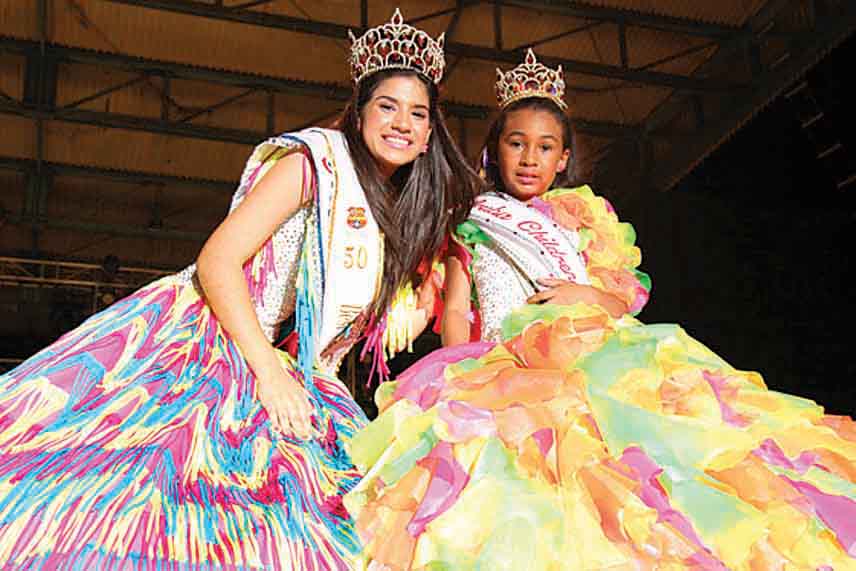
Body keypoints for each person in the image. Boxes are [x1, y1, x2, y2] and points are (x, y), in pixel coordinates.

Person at [0, 9, 482, 570]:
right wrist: (268, 370)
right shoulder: (311, 166)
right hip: (207, 342)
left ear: (428, 137)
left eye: (417, 114)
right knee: (152, 498)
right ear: (359, 115)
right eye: (387, 106)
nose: (401, 122)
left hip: (291, 371)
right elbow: (218, 259)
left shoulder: (392, 213)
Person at [346, 49, 856, 570]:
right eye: (516, 143)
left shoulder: (582, 217)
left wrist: (585, 296)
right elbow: (456, 307)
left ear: (563, 158)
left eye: (545, 148)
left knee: (627, 484)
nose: (529, 158)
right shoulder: (474, 217)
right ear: (494, 149)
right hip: (504, 373)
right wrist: (459, 374)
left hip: (586, 363)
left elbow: (622, 299)